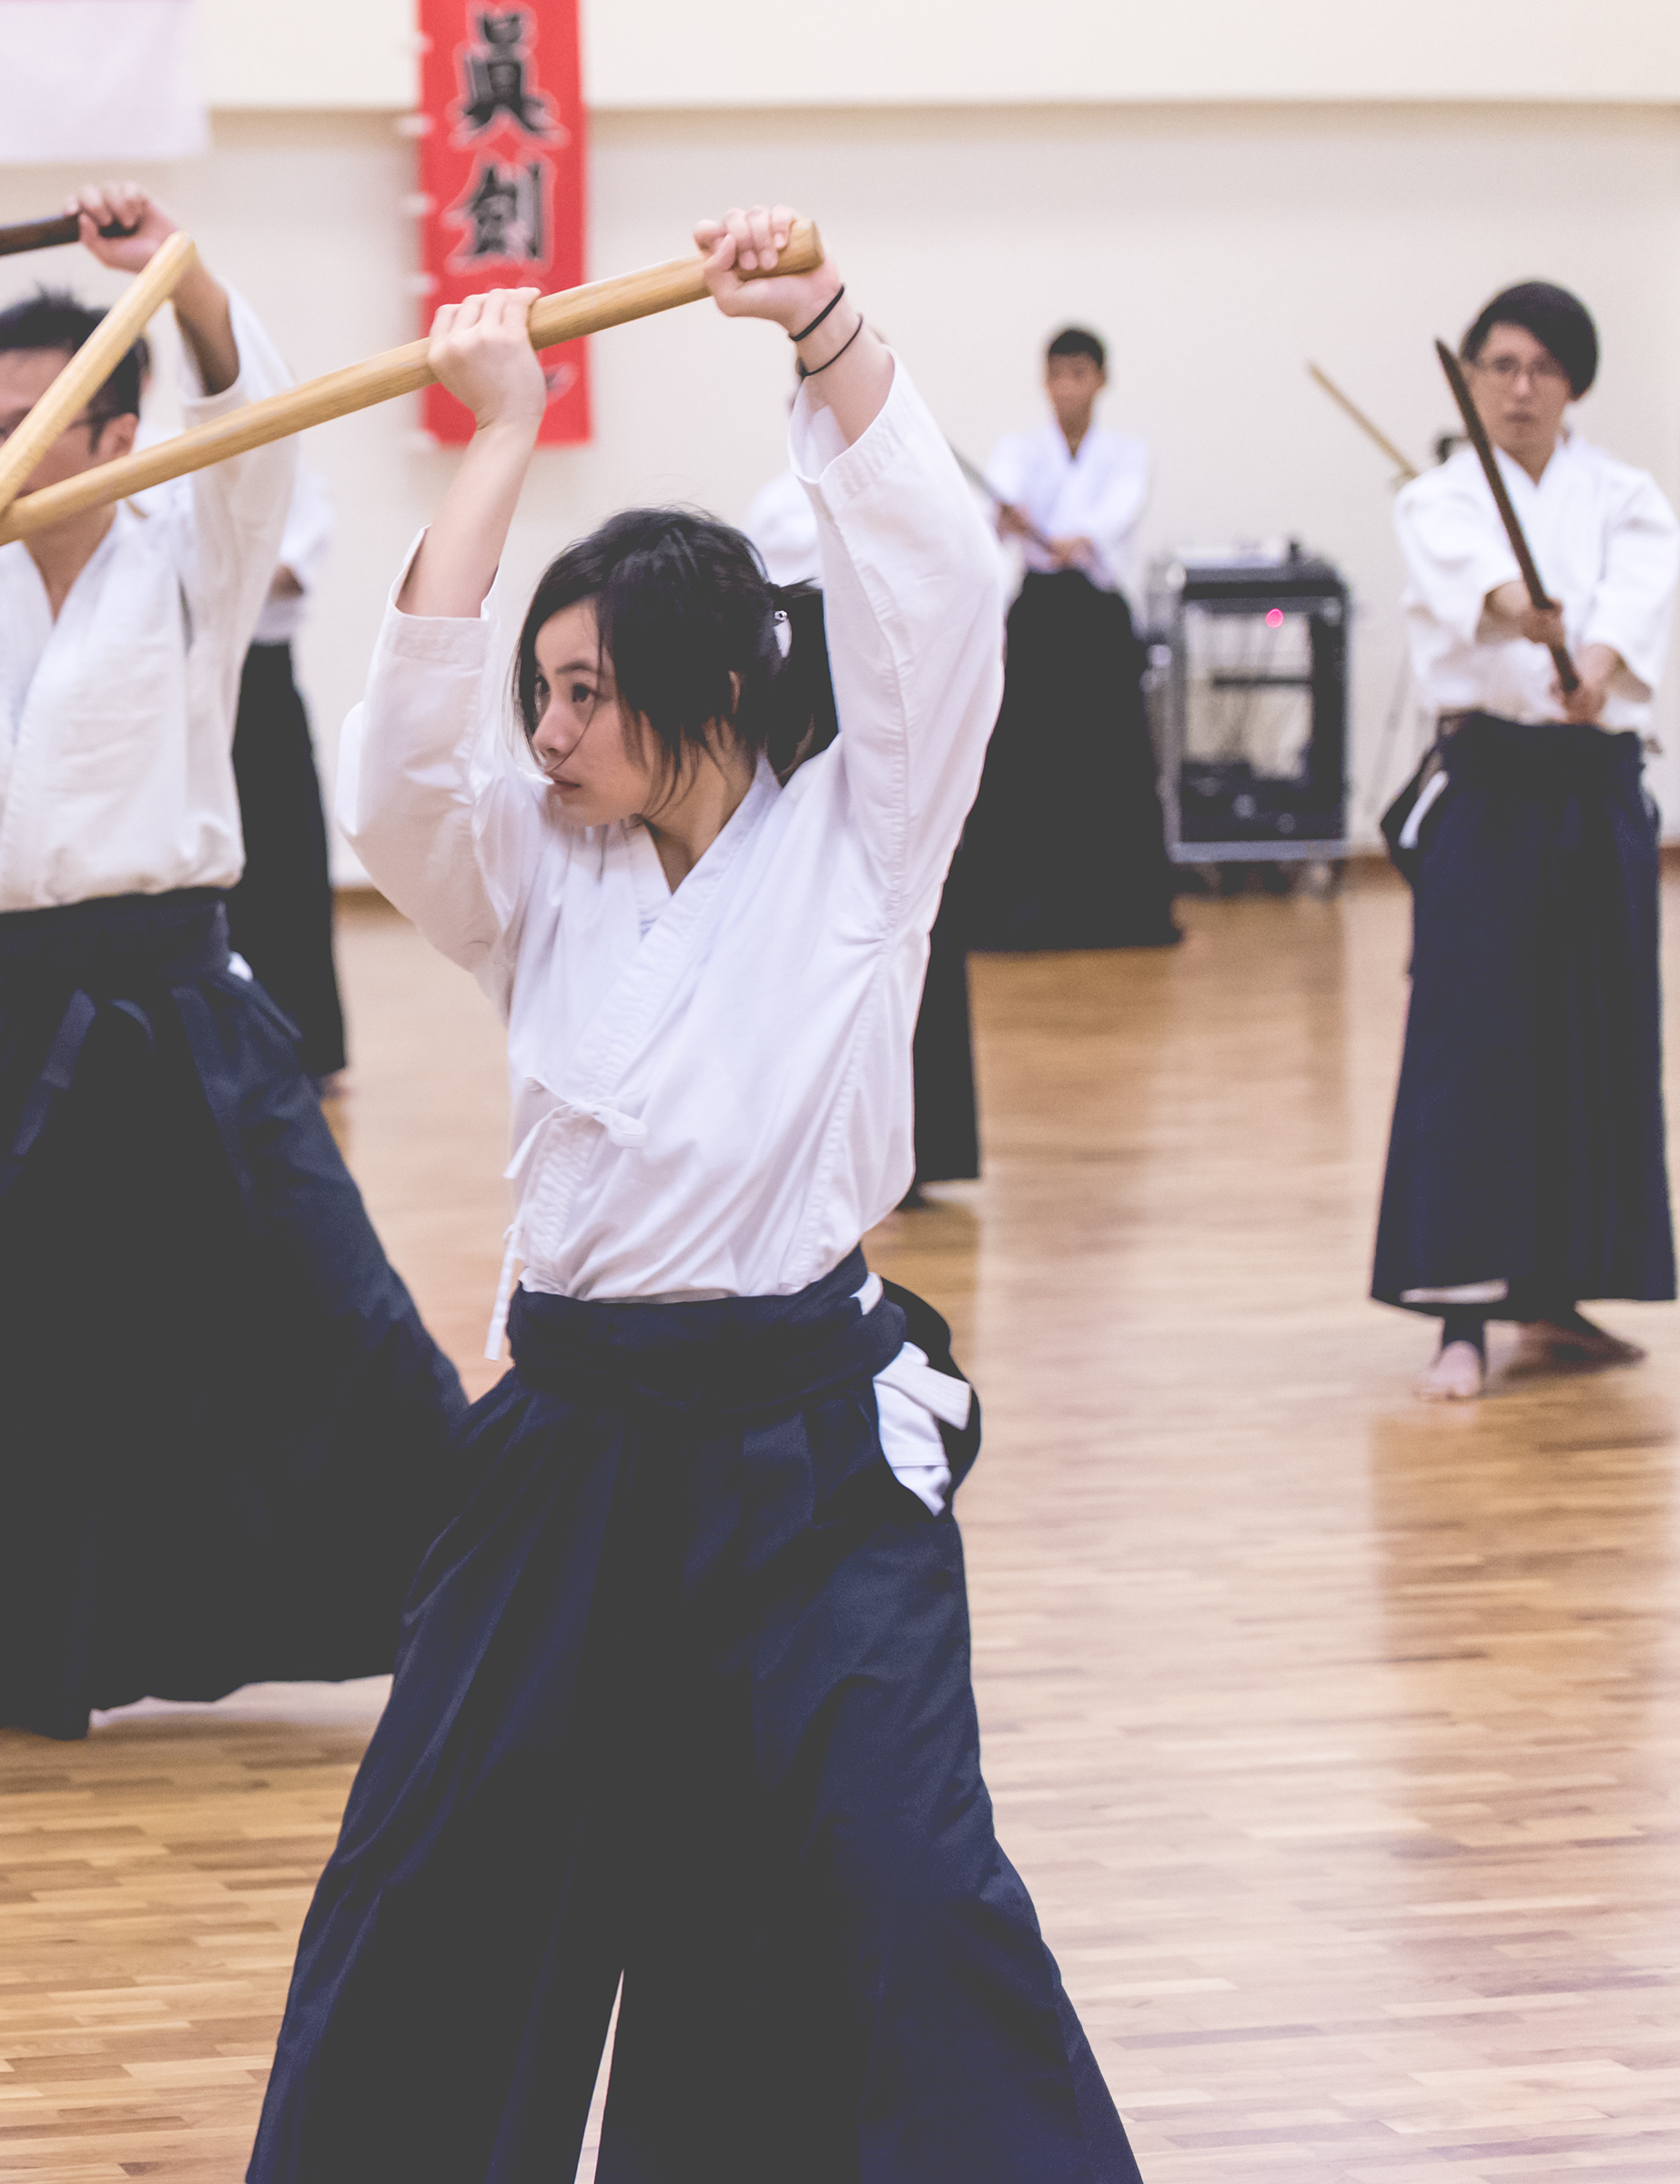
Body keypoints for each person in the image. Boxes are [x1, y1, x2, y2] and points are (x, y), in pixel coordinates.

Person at [250, 210, 1138, 2180]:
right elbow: (399, 781)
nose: (545, 732)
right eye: (539, 694)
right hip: (563, 1444)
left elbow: (936, 598)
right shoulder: (533, 878)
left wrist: (823, 329)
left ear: (703, 686)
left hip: (806, 1450)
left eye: (584, 694)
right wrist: (494, 437)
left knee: (908, 1880)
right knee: (432, 1877)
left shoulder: (866, 843)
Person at [0, 183, 465, 1749]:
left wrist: (182, 279)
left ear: (113, 433)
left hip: (178, 999)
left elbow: (258, 432)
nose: (1, 450)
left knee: (335, 1318)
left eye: (39, 421)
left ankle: (501, 1615)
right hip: (5, 1000)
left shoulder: (193, 551)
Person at [1376, 280, 1675, 1401]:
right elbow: (1476, 592)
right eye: (1497, 365)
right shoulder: (1443, 497)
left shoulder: (1629, 496)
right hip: (1494, 792)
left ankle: (1557, 1293)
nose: (1517, 386)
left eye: (1539, 367)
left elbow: (1639, 607)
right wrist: (1517, 609)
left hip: (1593, 791)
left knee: (1591, 1041)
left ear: (1574, 383)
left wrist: (1592, 668)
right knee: (1473, 1046)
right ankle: (1458, 1313)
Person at [743, 453, 987, 1196]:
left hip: (902, 717)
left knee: (912, 927)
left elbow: (967, 586)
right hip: (813, 718)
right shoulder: (777, 505)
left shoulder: (924, 498)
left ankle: (921, 1147)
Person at [944, 324, 1179, 951]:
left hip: (1097, 617)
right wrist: (1008, 515)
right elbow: (1001, 507)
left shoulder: (1126, 455)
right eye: (1057, 374)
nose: (1067, 388)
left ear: (1100, 381)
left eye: (1080, 374)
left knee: (1111, 759)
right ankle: (1014, 911)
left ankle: (1120, 911)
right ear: (1044, 382)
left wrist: (1078, 537)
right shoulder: (1021, 450)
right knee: (1024, 756)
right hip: (1041, 617)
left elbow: (1113, 516)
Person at [228, 468, 349, 1079]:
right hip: (186, 675)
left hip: (261, 678)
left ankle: (304, 1045)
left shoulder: (294, 473)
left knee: (285, 862)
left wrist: (200, 564)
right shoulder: (173, 458)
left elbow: (288, 574)